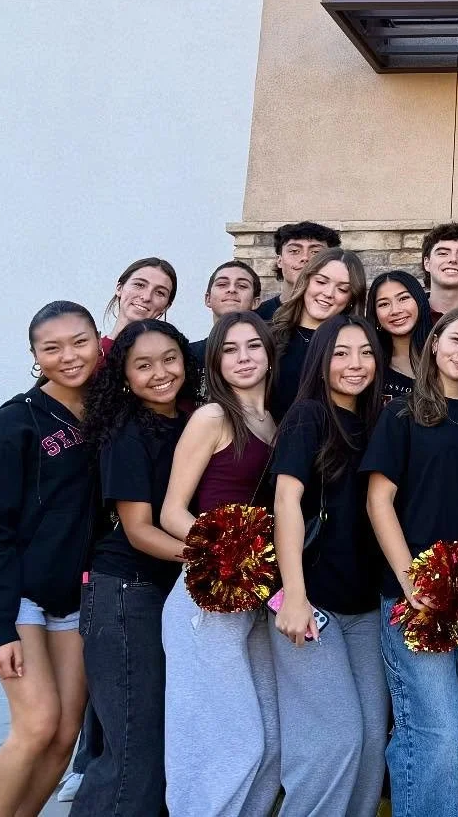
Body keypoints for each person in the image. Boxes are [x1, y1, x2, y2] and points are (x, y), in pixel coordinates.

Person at [0, 302, 100, 817]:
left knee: (63, 737)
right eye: (51, 348)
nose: (69, 356)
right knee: (36, 725)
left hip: (77, 595)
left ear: (98, 340)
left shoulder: (107, 414)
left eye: (79, 342)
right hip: (21, 596)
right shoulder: (14, 423)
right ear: (36, 355)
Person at [364, 307, 458, 817]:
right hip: (416, 596)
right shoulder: (402, 414)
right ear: (435, 342)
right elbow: (378, 501)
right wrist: (410, 581)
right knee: (438, 729)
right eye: (456, 340)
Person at [72, 319, 197, 817]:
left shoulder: (191, 420)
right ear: (124, 375)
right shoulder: (125, 432)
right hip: (125, 595)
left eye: (169, 359)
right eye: (142, 365)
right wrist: (220, 557)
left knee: (161, 744)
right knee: (132, 752)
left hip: (165, 595)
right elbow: (140, 529)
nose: (160, 373)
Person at [159, 311, 281, 817]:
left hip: (253, 597)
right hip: (205, 597)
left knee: (269, 744)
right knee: (224, 745)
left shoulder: (273, 421)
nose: (244, 358)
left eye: (253, 346)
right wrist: (229, 557)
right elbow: (170, 512)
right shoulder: (212, 417)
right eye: (230, 349)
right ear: (215, 361)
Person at [269, 314, 389, 817]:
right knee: (334, 739)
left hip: (363, 605)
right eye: (340, 353)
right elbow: (286, 501)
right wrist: (294, 595)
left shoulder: (377, 422)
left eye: (364, 352)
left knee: (368, 740)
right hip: (313, 602)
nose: (354, 364)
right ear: (320, 360)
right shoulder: (308, 417)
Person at [269, 246, 367, 420]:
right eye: (321, 282)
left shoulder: (361, 347)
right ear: (305, 281)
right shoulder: (268, 336)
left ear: (351, 299)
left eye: (342, 289)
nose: (328, 293)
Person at [368, 269, 436, 406]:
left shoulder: (443, 356)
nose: (395, 310)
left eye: (403, 298)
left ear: (419, 300)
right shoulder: (369, 364)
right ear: (375, 315)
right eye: (384, 304)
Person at [256, 221, 342, 321]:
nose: (305, 258)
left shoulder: (343, 321)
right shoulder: (258, 318)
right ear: (279, 261)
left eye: (316, 252)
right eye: (294, 251)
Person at [188, 259, 261, 368]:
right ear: (208, 299)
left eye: (242, 285)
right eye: (222, 284)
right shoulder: (188, 355)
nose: (232, 289)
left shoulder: (266, 354)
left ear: (255, 302)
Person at [101, 257, 178, 352]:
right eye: (139, 285)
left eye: (159, 292)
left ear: (166, 307)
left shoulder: (170, 358)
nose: (146, 297)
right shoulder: (90, 354)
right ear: (119, 288)